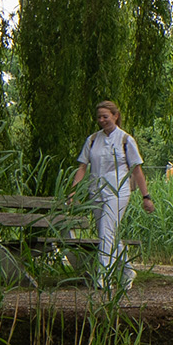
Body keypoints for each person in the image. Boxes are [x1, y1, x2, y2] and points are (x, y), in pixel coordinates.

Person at [69, 100, 151, 287]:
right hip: (96, 191)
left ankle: (102, 277)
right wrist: (73, 192)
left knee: (107, 232)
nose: (102, 120)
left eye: (105, 116)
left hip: (118, 191)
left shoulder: (126, 140)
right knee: (108, 233)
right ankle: (128, 271)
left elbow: (137, 170)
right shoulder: (92, 140)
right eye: (99, 117)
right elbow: (83, 167)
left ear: (115, 116)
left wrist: (146, 197)